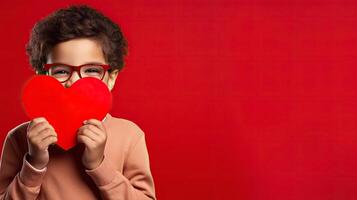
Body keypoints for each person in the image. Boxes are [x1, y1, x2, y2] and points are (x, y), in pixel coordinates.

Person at [0, 5, 156, 200]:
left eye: (91, 70)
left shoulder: (130, 135)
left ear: (112, 78)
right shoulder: (20, 138)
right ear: (42, 76)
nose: (75, 81)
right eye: (61, 71)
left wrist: (99, 165)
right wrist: (34, 163)